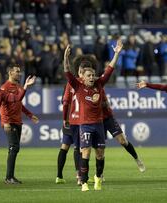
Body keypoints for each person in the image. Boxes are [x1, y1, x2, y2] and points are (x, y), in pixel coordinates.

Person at [63, 40, 123, 192]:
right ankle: (83, 182)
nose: (92, 77)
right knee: (86, 152)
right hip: (85, 125)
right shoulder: (77, 86)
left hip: (99, 125)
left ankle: (98, 177)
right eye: (89, 75)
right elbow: (67, 72)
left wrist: (116, 53)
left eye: (93, 75)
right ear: (82, 77)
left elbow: (110, 68)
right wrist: (65, 56)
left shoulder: (99, 84)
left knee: (100, 154)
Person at [0, 65, 39, 184]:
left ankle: (10, 176)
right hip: (10, 122)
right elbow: (2, 106)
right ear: (10, 73)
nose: (19, 73)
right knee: (14, 147)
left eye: (19, 72)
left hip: (17, 121)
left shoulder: (17, 86)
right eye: (17, 72)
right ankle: (9, 177)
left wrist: (30, 115)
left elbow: (19, 103)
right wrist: (5, 121)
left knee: (14, 149)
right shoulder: (4, 87)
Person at [101, 88, 146, 172]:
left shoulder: (99, 87)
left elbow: (107, 104)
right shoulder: (83, 89)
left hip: (108, 118)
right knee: (100, 148)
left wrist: (95, 103)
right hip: (96, 120)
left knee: (123, 141)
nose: (92, 78)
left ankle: (137, 159)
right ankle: (100, 174)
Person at [56, 65, 84, 185]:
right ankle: (79, 176)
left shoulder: (70, 83)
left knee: (64, 147)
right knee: (78, 148)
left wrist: (64, 118)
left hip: (68, 120)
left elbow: (65, 101)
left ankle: (59, 176)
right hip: (79, 121)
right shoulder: (86, 84)